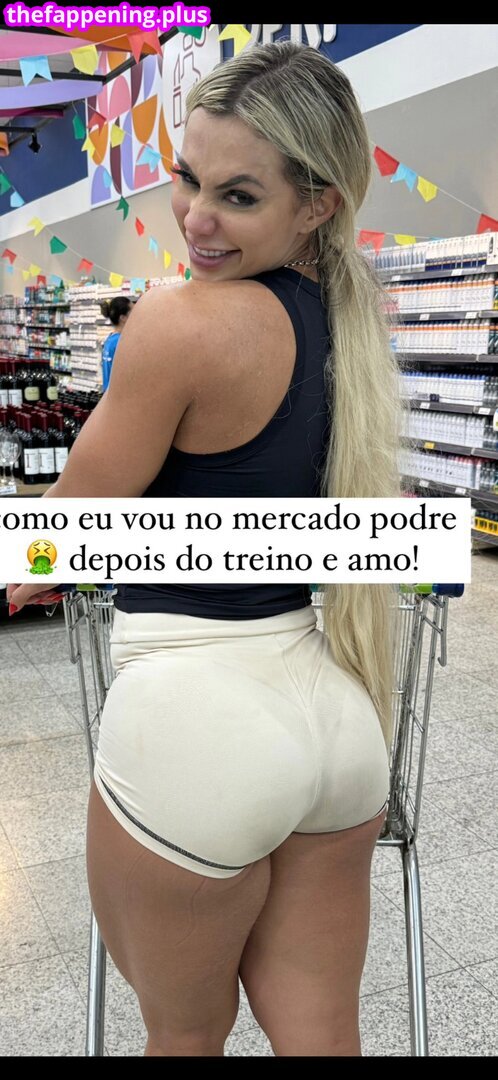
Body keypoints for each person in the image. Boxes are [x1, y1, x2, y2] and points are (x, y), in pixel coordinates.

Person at [7, 41, 401, 1057]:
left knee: (183, 1037)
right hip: (338, 720)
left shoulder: (179, 323)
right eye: (189, 178)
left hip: (193, 724)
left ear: (316, 204)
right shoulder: (352, 320)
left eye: (238, 196)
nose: (195, 218)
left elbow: (62, 532)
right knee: (322, 1031)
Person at [100, 296, 133, 390]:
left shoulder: (110, 339)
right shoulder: (121, 341)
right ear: (123, 318)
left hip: (109, 394)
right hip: (119, 394)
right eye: (133, 312)